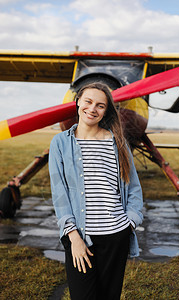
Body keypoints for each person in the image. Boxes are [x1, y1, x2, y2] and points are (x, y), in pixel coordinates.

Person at [49, 82, 143, 300]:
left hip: (116, 235)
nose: (93, 109)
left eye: (100, 105)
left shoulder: (117, 142)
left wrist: (129, 224)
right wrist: (74, 238)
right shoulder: (60, 143)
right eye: (88, 102)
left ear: (106, 111)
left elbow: (134, 188)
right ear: (78, 102)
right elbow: (59, 193)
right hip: (81, 238)